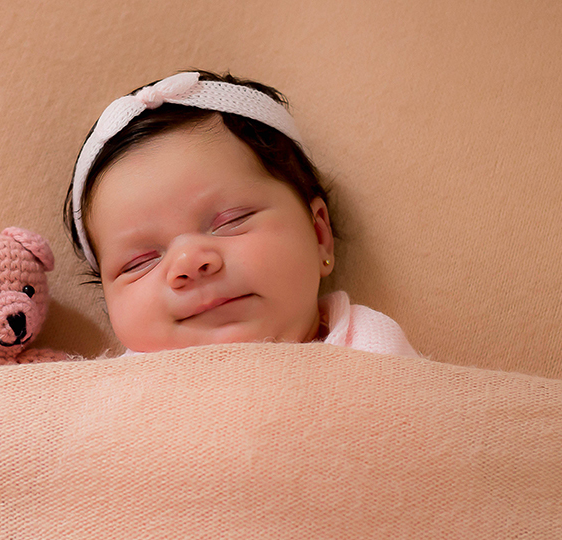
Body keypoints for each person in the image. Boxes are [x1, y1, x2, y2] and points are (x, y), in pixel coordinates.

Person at [64, 70, 418, 357]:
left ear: (319, 235)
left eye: (231, 221)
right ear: (109, 307)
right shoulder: (117, 392)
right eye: (139, 262)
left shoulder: (369, 349)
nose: (189, 262)